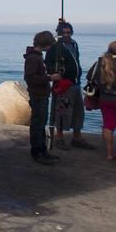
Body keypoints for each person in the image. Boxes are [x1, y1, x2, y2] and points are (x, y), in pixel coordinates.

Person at [44, 21, 95, 150]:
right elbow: (48, 64)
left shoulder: (74, 44)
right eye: (63, 32)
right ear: (59, 33)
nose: (66, 35)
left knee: (78, 112)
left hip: (75, 83)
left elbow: (76, 60)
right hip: (63, 85)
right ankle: (59, 138)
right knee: (61, 111)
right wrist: (56, 74)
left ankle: (77, 138)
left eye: (69, 32)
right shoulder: (55, 47)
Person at [24, 30, 61, 165]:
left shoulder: (36, 56)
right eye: (50, 45)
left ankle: (42, 150)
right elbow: (30, 78)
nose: (50, 47)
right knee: (38, 125)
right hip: (38, 96)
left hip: (41, 95)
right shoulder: (33, 58)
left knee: (40, 125)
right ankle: (37, 152)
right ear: (45, 44)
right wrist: (50, 77)